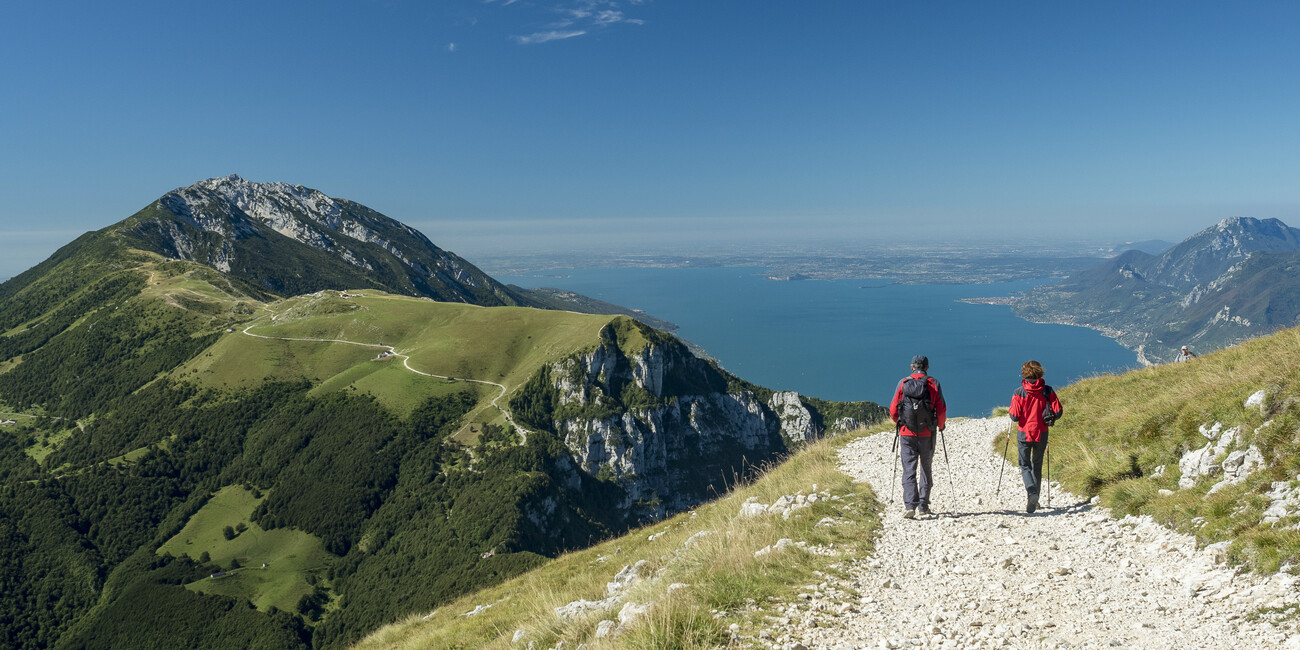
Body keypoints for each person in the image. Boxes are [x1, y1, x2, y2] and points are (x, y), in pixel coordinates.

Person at [889, 355, 947, 519]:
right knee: (926, 467)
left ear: (912, 366)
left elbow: (893, 409)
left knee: (909, 468)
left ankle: (910, 505)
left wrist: (900, 423)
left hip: (907, 433)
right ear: (927, 367)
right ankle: (923, 506)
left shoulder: (903, 383)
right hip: (927, 433)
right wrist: (940, 425)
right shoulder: (933, 383)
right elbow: (941, 409)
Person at [1009, 360, 1063, 513]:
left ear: (1024, 374)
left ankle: (1031, 492)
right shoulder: (1047, 391)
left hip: (1024, 433)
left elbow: (1014, 416)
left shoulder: (1019, 392)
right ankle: (1035, 500)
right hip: (1042, 433)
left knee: (1025, 465)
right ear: (1040, 372)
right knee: (1036, 466)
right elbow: (1058, 411)